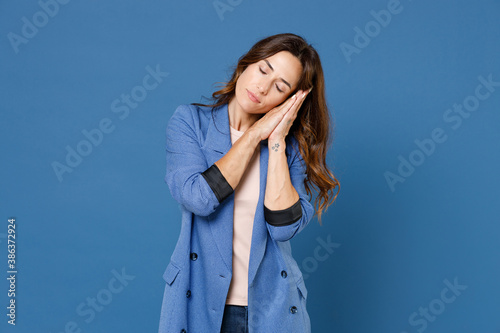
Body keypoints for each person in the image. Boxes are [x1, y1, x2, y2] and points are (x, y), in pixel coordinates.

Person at [158, 33, 339, 333]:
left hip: (272, 308)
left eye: (280, 86)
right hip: (198, 301)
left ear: (289, 101)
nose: (263, 87)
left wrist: (277, 140)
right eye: (263, 69)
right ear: (246, 65)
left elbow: (283, 228)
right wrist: (254, 135)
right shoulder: (190, 122)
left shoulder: (290, 149)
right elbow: (198, 198)